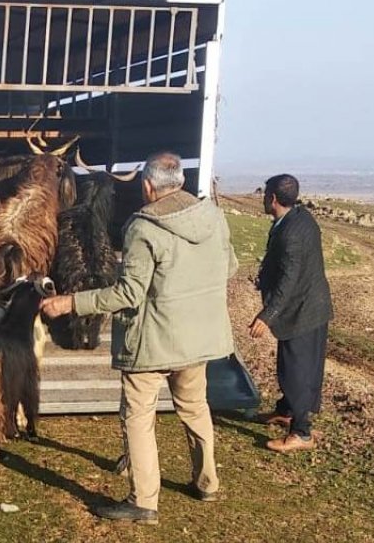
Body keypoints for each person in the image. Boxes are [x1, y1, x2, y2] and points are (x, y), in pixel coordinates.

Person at [41, 152, 237, 525]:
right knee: (195, 408)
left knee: (139, 416)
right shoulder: (213, 216)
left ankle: (143, 501)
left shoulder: (144, 228)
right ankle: (207, 482)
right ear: (178, 182)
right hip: (200, 339)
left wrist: (71, 302)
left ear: (147, 186)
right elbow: (230, 266)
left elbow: (128, 294)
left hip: (154, 341)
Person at [248, 174, 334, 453]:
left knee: (296, 371)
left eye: (264, 194)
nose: (262, 198)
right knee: (299, 366)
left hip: (302, 310)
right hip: (311, 305)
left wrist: (266, 315)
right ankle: (286, 411)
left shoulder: (292, 234)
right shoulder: (300, 217)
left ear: (272, 198)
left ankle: (302, 433)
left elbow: (289, 280)